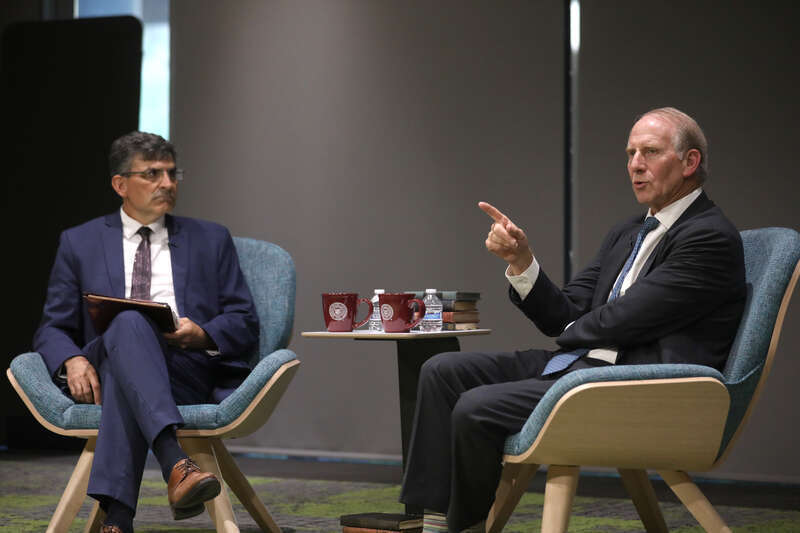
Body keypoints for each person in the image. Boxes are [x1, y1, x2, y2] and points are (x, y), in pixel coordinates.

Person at [399, 107, 746, 532]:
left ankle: (462, 527)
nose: (635, 165)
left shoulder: (708, 237)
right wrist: (521, 262)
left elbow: (627, 320)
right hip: (583, 368)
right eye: (630, 153)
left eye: (650, 152)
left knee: (477, 406)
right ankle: (431, 520)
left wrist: (573, 329)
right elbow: (566, 314)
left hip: (639, 386)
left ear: (690, 162)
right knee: (441, 371)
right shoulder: (628, 233)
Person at [33, 132, 259, 533]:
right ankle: (176, 463)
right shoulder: (79, 242)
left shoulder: (211, 239)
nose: (167, 184)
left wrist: (201, 332)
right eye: (152, 174)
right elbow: (53, 326)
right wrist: (72, 358)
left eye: (172, 174)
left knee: (127, 358)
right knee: (129, 322)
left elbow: (244, 319)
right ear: (120, 184)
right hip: (104, 362)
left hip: (184, 369)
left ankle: (118, 519)